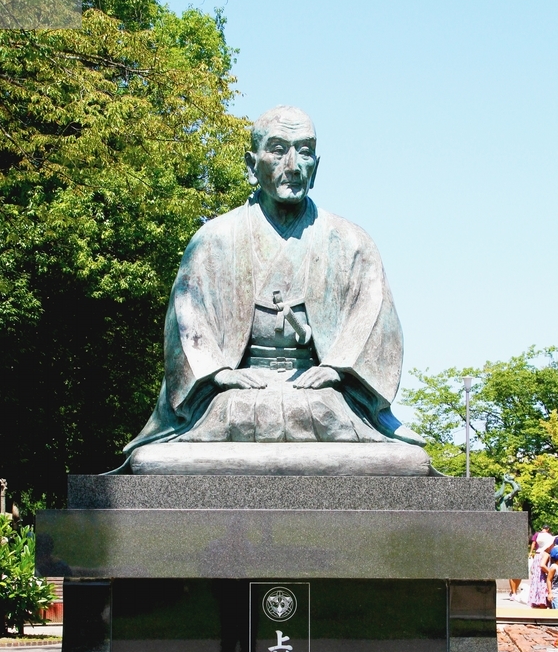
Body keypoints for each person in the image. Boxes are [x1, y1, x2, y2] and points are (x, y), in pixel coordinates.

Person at [123, 106, 425, 460]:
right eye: (279, 150)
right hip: (234, 394)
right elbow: (188, 315)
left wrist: (335, 367)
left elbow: (372, 315)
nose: (293, 165)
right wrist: (219, 373)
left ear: (316, 168)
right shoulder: (214, 240)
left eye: (305, 151)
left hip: (324, 395)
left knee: (340, 424)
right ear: (252, 165)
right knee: (221, 423)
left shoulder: (350, 241)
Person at [527, 525, 555, 608]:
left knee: (536, 583)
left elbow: (533, 543)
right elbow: (542, 566)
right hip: (543, 579)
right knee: (542, 585)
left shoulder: (537, 554)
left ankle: (535, 600)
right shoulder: (546, 554)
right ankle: (542, 602)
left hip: (536, 577)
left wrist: (531, 552)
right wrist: (550, 572)